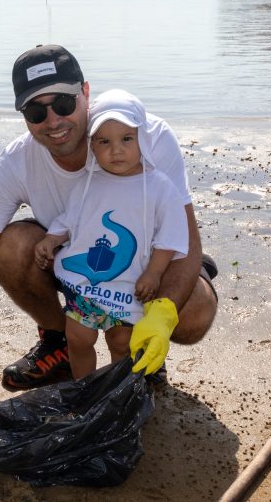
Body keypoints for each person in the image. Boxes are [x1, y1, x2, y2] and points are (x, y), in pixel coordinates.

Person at [0, 44, 218, 442]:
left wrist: (163, 310)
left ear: (86, 93)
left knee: (192, 318)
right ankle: (60, 346)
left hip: (150, 265)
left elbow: (185, 237)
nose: (53, 121)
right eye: (36, 111)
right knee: (14, 244)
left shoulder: (145, 135)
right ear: (24, 117)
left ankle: (145, 351)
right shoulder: (15, 163)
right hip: (81, 271)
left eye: (64, 103)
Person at [34, 89, 189, 380]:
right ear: (92, 145)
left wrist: (154, 274)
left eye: (126, 139)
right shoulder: (89, 183)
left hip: (130, 285)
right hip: (87, 285)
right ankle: (83, 391)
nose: (116, 150)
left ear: (142, 138)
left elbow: (169, 238)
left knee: (121, 342)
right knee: (78, 337)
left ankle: (121, 389)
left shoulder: (159, 187)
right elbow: (70, 219)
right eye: (104, 141)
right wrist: (52, 239)